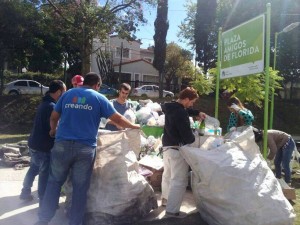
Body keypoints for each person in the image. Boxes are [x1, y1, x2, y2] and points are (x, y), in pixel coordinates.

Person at [34, 72, 140, 225]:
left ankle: (43, 220)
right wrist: (134, 126)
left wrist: (53, 130)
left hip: (62, 145)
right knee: (80, 188)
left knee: (54, 183)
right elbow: (117, 119)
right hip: (85, 149)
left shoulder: (68, 94)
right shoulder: (99, 98)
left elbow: (54, 116)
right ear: (97, 85)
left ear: (84, 82)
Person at [161, 87, 206, 217]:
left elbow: (184, 109)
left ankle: (165, 201)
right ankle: (172, 211)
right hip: (177, 149)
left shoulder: (170, 107)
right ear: (186, 99)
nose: (192, 104)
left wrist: (197, 112)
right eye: (191, 102)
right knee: (179, 180)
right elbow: (188, 138)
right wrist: (194, 134)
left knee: (167, 175)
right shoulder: (181, 113)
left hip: (167, 146)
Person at [19, 80, 66, 203]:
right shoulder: (52, 107)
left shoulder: (44, 103)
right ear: (59, 92)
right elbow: (52, 130)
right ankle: (43, 200)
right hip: (43, 147)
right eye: (64, 92)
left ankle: (25, 192)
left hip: (34, 143)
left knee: (33, 169)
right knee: (44, 174)